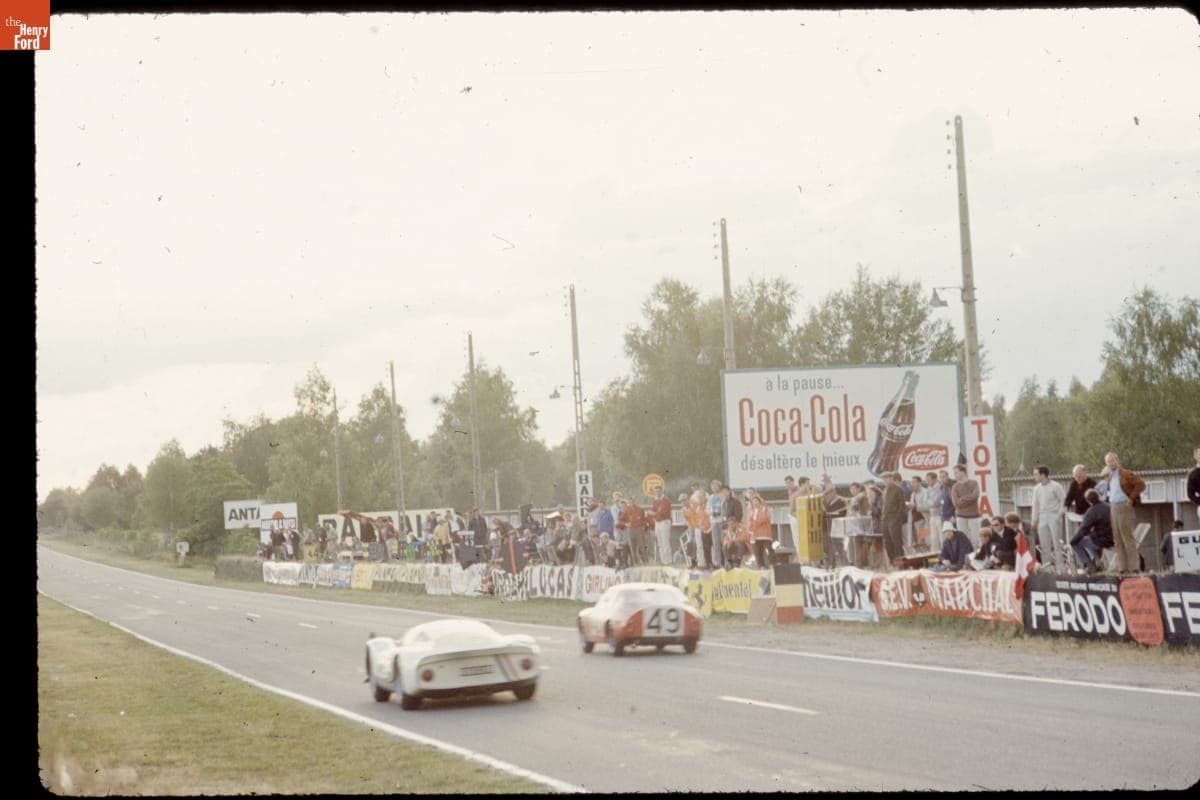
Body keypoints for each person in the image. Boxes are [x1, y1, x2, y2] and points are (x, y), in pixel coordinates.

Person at [1104, 452, 1146, 574]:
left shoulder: (1125, 473)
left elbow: (1141, 484)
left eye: (1112, 460)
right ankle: (1122, 567)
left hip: (1124, 505)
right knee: (1117, 538)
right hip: (1113, 506)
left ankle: (1134, 567)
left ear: (1117, 460)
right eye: (1108, 461)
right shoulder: (1109, 476)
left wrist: (1131, 498)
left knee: (1127, 537)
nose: (1111, 463)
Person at [1031, 465, 1067, 572]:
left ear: (1043, 474)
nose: (1035, 476)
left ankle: (1061, 567)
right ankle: (1047, 567)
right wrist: (1034, 519)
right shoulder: (1036, 489)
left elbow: (1063, 501)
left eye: (1036, 474)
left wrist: (1059, 515)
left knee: (1057, 542)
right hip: (1042, 516)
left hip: (1054, 515)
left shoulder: (1056, 486)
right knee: (1044, 543)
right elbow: (1035, 505)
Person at [1070, 488, 1113, 574]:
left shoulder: (1092, 511)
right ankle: (1097, 562)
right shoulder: (1108, 506)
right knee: (1088, 539)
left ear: (1088, 501)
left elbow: (1083, 530)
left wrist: (1072, 541)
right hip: (1113, 538)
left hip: (1102, 541)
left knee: (1076, 543)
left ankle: (1089, 564)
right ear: (1098, 497)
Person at [950, 464, 982, 547]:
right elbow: (956, 503)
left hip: (974, 515)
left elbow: (975, 495)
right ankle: (965, 558)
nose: (955, 475)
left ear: (963, 472)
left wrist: (962, 498)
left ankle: (977, 557)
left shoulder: (973, 483)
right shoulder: (954, 486)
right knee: (963, 539)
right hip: (960, 516)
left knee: (976, 539)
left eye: (956, 472)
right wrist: (968, 499)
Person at [881, 471, 907, 567]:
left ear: (891, 478)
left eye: (887, 478)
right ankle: (892, 561)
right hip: (886, 518)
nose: (885, 480)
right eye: (883, 479)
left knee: (896, 540)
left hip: (894, 517)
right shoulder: (885, 490)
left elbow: (902, 506)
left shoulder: (897, 489)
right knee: (887, 541)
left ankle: (900, 562)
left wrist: (897, 517)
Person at [720, 485, 748, 568]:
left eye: (725, 491)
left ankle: (737, 562)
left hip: (735, 528)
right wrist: (724, 526)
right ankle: (729, 563)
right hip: (726, 528)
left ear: (729, 491)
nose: (724, 493)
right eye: (723, 492)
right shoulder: (724, 503)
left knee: (738, 544)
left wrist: (732, 524)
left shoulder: (736, 502)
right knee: (724, 545)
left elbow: (739, 516)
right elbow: (723, 516)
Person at [747, 491, 773, 569]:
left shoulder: (764, 509)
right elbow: (750, 524)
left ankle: (772, 564)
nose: (755, 503)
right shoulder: (751, 512)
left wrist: (755, 523)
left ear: (759, 501)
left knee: (769, 549)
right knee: (758, 551)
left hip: (765, 534)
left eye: (756, 501)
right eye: (753, 501)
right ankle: (761, 566)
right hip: (756, 535)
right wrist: (751, 531)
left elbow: (763, 518)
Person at [649, 484, 673, 565]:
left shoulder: (666, 500)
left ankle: (668, 561)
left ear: (661, 491)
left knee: (665, 542)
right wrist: (655, 513)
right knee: (660, 542)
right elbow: (651, 512)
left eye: (658, 491)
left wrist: (654, 513)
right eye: (655, 491)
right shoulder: (655, 500)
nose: (657, 493)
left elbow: (661, 513)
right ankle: (663, 561)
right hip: (657, 523)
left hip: (664, 522)